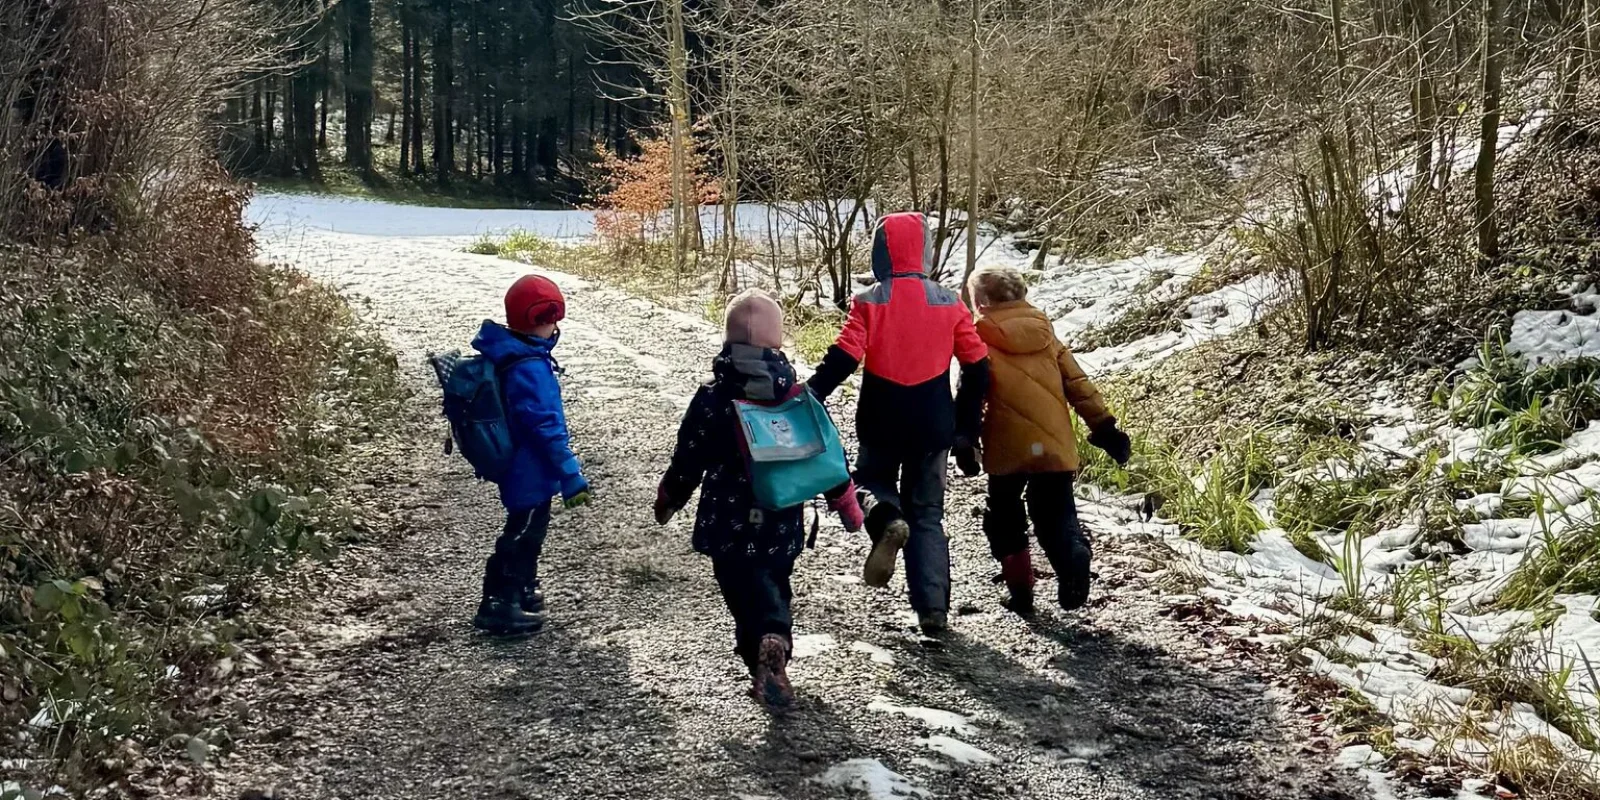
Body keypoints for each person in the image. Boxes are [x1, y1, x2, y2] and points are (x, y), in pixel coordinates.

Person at [655, 289, 862, 708]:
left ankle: (759, 651)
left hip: (726, 516)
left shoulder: (713, 397)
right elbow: (824, 453)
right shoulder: (796, 397)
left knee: (738, 585)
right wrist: (849, 506)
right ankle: (776, 637)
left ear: (728, 342)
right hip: (781, 512)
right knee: (773, 580)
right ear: (778, 341)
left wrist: (671, 496)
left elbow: (689, 454)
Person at [807, 211, 991, 636]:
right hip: (933, 424)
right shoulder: (949, 301)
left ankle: (887, 520)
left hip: (882, 417)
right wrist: (966, 430)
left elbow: (844, 356)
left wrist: (810, 395)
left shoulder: (870, 300)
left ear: (881, 251)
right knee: (928, 514)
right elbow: (978, 368)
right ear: (924, 251)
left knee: (868, 480)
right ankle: (933, 610)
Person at [960, 265, 1131, 614]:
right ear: (1023, 296)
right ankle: (1073, 555)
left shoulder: (977, 336)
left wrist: (965, 437)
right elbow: (1077, 383)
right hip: (1052, 440)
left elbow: (971, 392)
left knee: (1004, 515)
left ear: (980, 301)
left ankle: (1021, 591)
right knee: (1055, 510)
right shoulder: (1046, 333)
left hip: (1006, 442)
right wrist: (1104, 427)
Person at [468, 274, 591, 635]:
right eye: (552, 319)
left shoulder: (517, 355)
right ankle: (500, 601)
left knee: (531, 530)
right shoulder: (528, 366)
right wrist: (570, 473)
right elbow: (544, 427)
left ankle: (521, 589)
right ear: (542, 319)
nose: (555, 327)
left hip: (524, 465)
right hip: (528, 467)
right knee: (522, 533)